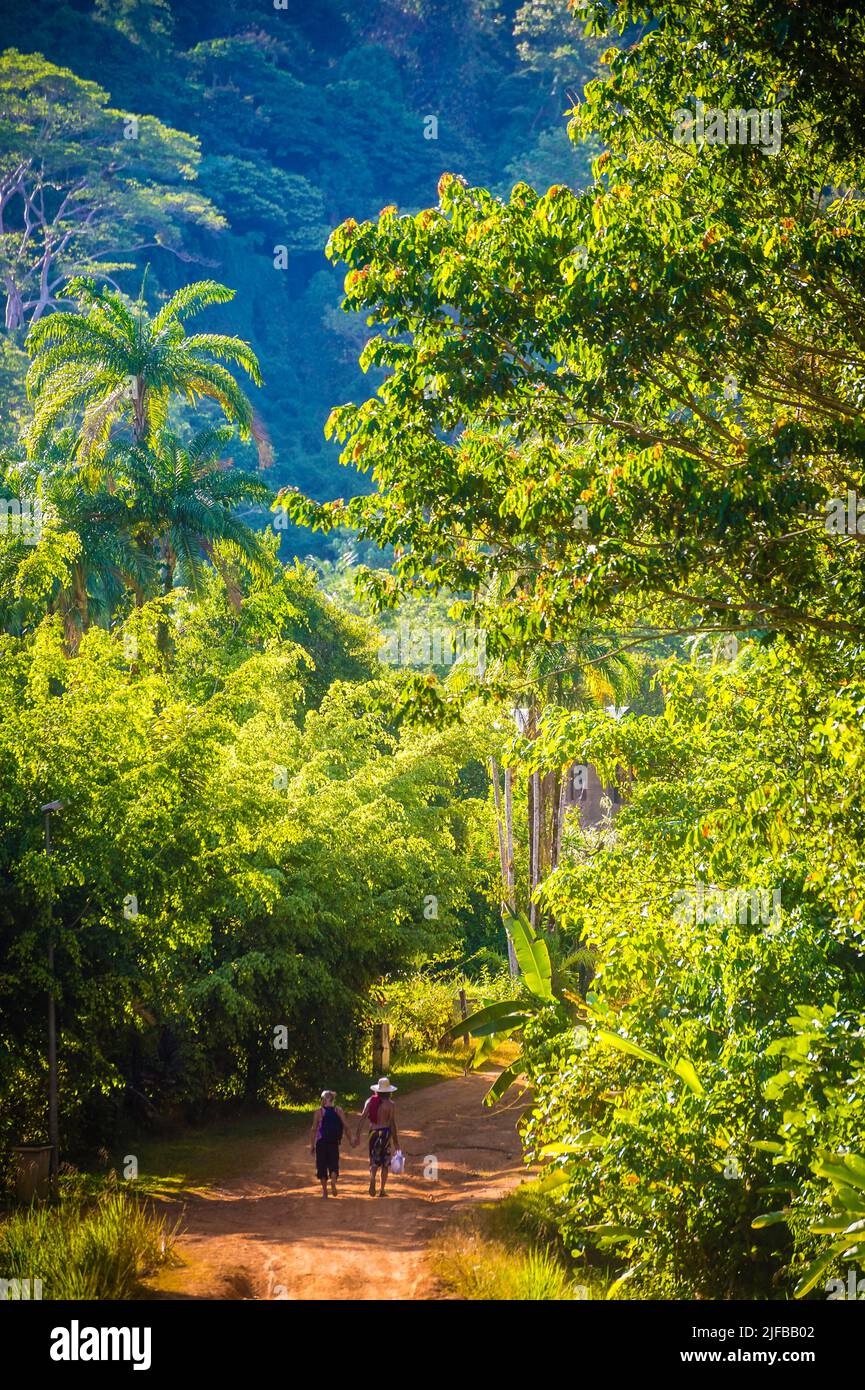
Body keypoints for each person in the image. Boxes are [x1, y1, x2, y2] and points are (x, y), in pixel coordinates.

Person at [355, 1077, 400, 1197]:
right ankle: (382, 1189)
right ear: (389, 1091)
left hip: (373, 1133)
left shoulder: (370, 1101)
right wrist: (396, 1143)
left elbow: (362, 1118)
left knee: (374, 1159)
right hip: (385, 1133)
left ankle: (372, 1177)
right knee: (385, 1162)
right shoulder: (391, 1105)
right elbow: (392, 1123)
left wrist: (357, 1135)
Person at [310, 1090, 353, 1198]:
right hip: (334, 1142)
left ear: (323, 1100)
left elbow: (314, 1129)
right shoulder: (338, 1110)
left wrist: (312, 1145)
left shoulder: (319, 1112)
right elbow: (346, 1126)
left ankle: (325, 1192)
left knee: (322, 1166)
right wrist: (351, 1139)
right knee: (334, 1164)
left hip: (321, 1143)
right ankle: (333, 1180)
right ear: (333, 1100)